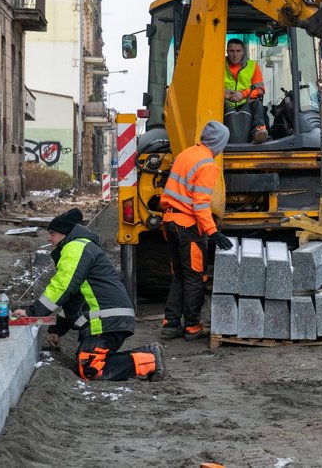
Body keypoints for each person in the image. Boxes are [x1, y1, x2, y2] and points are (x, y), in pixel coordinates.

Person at [14, 208, 164, 382]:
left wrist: (33, 313)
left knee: (90, 368)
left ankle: (150, 359)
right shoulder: (80, 247)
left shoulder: (75, 247)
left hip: (107, 319)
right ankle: (148, 357)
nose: (49, 238)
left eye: (52, 234)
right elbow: (75, 298)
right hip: (111, 317)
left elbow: (63, 286)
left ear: (65, 234)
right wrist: (57, 330)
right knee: (88, 363)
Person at [159, 121, 235, 341]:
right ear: (219, 143)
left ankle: (171, 324)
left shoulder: (187, 154)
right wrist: (213, 232)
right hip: (187, 227)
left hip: (170, 222)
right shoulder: (208, 165)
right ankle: (192, 326)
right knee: (194, 277)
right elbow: (200, 204)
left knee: (179, 276)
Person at [224, 38, 269, 143]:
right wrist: (223, 93)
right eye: (231, 51)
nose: (235, 55)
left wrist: (242, 94)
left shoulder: (253, 66)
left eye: (238, 51)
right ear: (227, 52)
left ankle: (258, 131)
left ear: (243, 52)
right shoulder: (218, 65)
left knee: (257, 104)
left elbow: (260, 90)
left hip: (246, 103)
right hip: (225, 103)